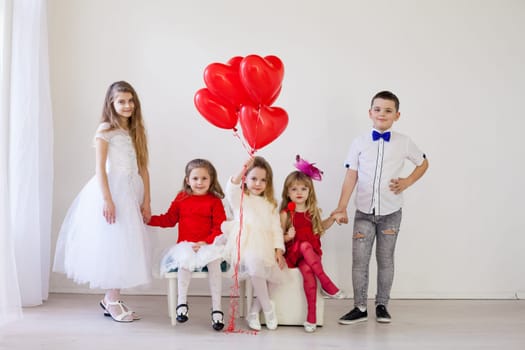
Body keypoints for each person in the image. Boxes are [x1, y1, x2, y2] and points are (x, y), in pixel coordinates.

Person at [54, 81, 152, 323]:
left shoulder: (136, 130)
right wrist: (108, 200)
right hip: (112, 190)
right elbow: (99, 168)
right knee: (114, 243)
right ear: (112, 103)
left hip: (130, 191)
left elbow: (143, 168)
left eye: (130, 101)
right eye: (121, 101)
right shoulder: (105, 130)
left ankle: (111, 297)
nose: (127, 105)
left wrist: (147, 200)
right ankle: (111, 298)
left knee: (126, 244)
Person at [334, 90, 429, 325]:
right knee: (360, 261)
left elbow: (423, 163)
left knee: (385, 260)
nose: (382, 114)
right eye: (377, 109)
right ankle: (359, 307)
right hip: (364, 213)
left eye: (388, 110)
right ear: (370, 113)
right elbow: (351, 175)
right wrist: (342, 206)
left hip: (391, 213)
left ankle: (382, 304)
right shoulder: (359, 142)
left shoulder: (404, 141)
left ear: (397, 115)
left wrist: (407, 181)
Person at [147, 159, 227, 331]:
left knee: (214, 262)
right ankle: (181, 303)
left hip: (208, 243)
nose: (199, 182)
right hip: (186, 244)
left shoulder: (214, 201)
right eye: (195, 178)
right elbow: (169, 219)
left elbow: (219, 227)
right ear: (187, 180)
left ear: (211, 180)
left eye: (204, 178)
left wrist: (205, 242)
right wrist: (149, 220)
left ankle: (217, 309)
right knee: (185, 261)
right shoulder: (181, 198)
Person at [279, 155, 346, 333]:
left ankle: (311, 317)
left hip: (309, 257)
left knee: (308, 271)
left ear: (310, 191)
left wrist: (332, 218)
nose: (299, 192)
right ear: (288, 192)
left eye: (303, 189)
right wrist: (287, 236)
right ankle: (327, 283)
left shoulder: (312, 212)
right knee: (304, 245)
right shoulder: (286, 214)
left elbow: (319, 229)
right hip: (293, 253)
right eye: (294, 189)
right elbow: (276, 238)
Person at [222, 156, 286, 331]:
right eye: (253, 178)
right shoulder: (240, 198)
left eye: (263, 180)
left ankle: (253, 311)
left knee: (277, 275)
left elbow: (276, 229)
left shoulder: (271, 204)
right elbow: (231, 187)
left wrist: (278, 250)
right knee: (255, 263)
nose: (258, 183)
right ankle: (268, 309)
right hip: (245, 242)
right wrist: (244, 167)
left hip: (265, 244)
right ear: (245, 179)